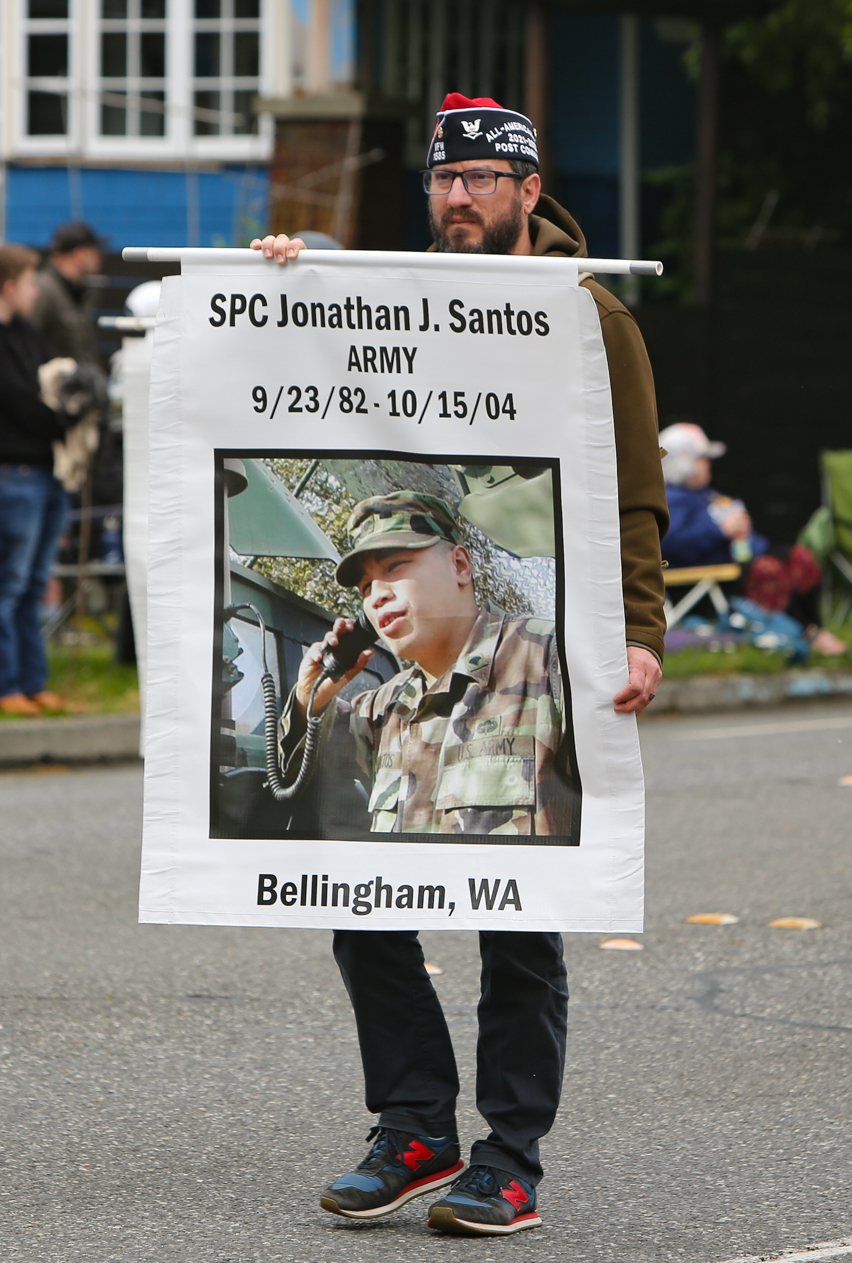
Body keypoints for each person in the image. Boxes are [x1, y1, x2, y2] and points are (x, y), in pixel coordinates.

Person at [248, 91, 667, 1236]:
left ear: (530, 193)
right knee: (362, 901)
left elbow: (631, 494)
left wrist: (640, 630)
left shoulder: (592, 318)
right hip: (416, 688)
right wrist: (278, 281)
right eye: (443, 180)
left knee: (518, 918)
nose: (459, 199)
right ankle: (416, 1127)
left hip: (531, 656)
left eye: (483, 180)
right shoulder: (396, 296)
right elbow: (286, 361)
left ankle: (512, 1154)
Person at [290, 492, 575, 835]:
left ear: (460, 566)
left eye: (395, 567)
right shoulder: (381, 711)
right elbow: (290, 787)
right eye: (365, 587)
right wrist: (310, 696)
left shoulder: (551, 657)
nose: (377, 595)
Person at [0, 245, 75, 716]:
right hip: (11, 473)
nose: (36, 289)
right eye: (28, 282)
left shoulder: (25, 332)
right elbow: (24, 404)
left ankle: (32, 680)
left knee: (35, 583)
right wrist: (62, 418)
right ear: (8, 287)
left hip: (44, 471)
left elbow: (52, 385)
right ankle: (2, 685)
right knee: (8, 583)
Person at [660, 421, 843, 658]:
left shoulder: (709, 495)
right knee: (768, 571)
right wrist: (721, 530)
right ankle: (801, 635)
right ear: (680, 461)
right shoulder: (667, 499)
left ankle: (814, 629)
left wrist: (745, 534)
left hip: (736, 564)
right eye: (702, 458)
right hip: (702, 576)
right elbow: (671, 543)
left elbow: (748, 544)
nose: (708, 465)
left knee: (800, 559)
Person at [32, 221, 104, 369]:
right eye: (94, 250)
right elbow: (27, 343)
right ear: (79, 254)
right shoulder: (43, 289)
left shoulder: (78, 290)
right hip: (55, 388)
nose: (100, 256)